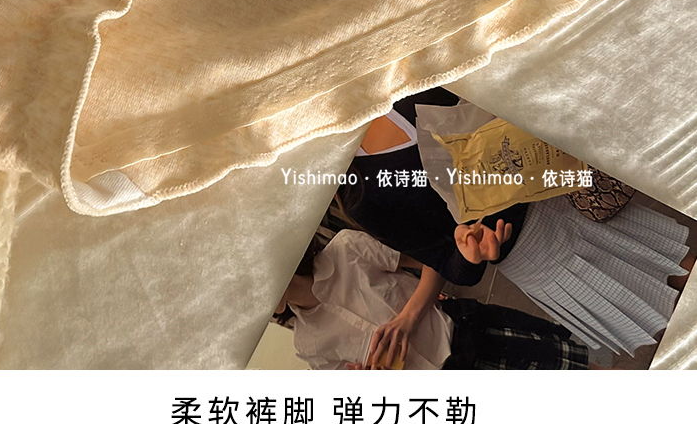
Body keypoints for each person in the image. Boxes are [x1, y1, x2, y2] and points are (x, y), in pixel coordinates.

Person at [339, 87, 694, 360]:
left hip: (560, 193)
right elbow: (448, 263)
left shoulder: (398, 87)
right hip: (539, 258)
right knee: (661, 309)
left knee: (678, 265)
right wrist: (471, 253)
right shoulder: (359, 193)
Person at [275, 229, 589, 370]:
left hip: (466, 331)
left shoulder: (345, 249)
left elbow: (436, 261)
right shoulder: (307, 344)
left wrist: (407, 318)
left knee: (577, 370)